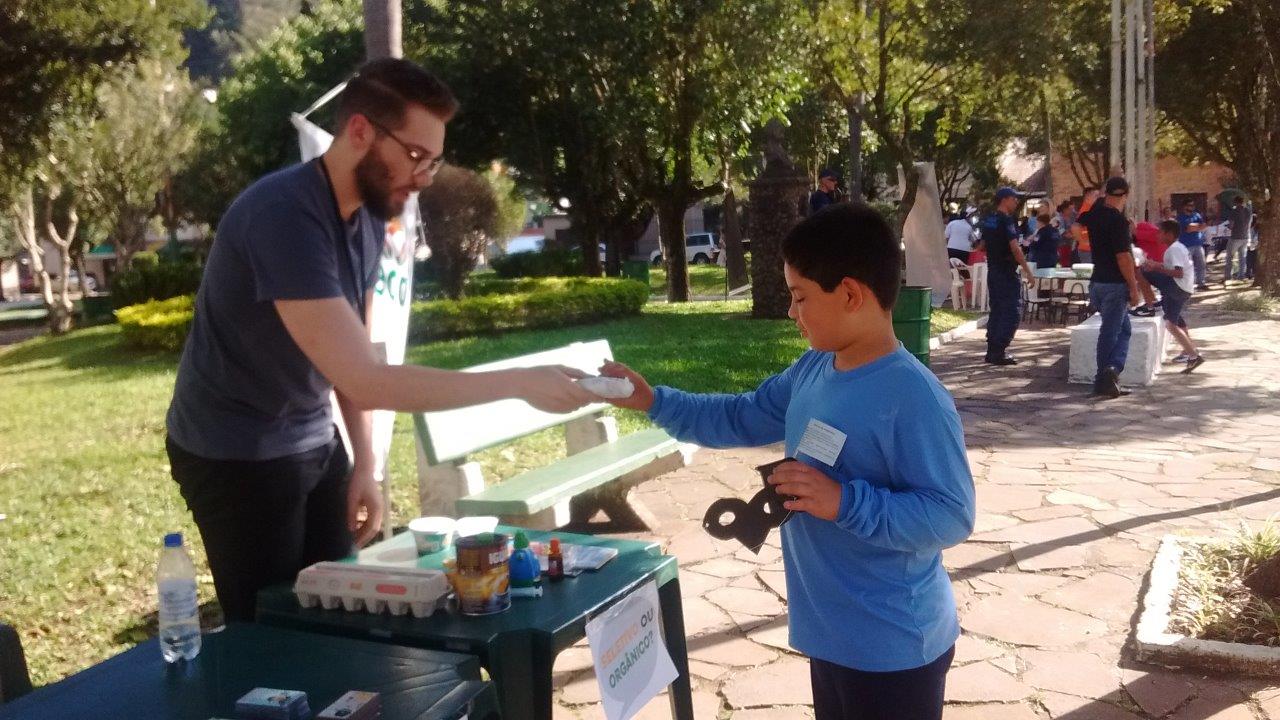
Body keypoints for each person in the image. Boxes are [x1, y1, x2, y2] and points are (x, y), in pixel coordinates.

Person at [164, 58, 595, 623]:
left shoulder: (368, 216)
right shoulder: (283, 215)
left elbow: (356, 354)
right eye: (416, 156)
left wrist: (363, 464)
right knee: (272, 627)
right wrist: (518, 383)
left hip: (313, 436)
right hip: (233, 449)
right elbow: (366, 379)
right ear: (360, 131)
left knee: (338, 607)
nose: (423, 177)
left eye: (434, 162)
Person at [599, 202, 975, 720]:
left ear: (849, 294)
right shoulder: (814, 369)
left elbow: (951, 515)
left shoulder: (913, 398)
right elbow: (743, 415)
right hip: (832, 631)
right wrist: (654, 402)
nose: (792, 312)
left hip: (893, 644)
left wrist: (844, 501)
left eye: (800, 297)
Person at [1077, 178, 1142, 399]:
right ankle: (1104, 377)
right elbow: (1123, 257)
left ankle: (1111, 371)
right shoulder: (1118, 221)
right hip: (1115, 284)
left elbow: (1076, 226)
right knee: (1111, 332)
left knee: (1123, 329)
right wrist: (1134, 288)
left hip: (1097, 282)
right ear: (1124, 195)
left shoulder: (1094, 215)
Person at [979, 187, 1035, 366]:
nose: (1016, 202)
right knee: (1012, 310)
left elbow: (981, 245)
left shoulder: (989, 220)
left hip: (993, 270)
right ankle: (999, 350)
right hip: (1006, 270)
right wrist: (1027, 270)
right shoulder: (1006, 220)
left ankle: (992, 350)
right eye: (1014, 198)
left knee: (997, 310)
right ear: (1004, 200)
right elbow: (1015, 248)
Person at [1141, 220, 1205, 372]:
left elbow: (1178, 272)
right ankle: (1187, 350)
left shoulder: (1174, 249)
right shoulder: (1177, 247)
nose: (1157, 235)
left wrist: (1155, 267)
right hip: (1183, 288)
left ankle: (1193, 355)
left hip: (1177, 287)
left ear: (1169, 234)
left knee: (1170, 324)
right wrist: (1156, 264)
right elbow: (1173, 268)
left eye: (1160, 232)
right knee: (1176, 318)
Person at [1176, 198, 1210, 290]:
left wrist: (1196, 227)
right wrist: (1198, 226)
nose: (1192, 207)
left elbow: (1204, 226)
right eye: (1190, 205)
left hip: (1198, 243)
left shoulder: (1196, 215)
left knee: (1201, 264)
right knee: (1188, 266)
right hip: (1186, 245)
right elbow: (1188, 228)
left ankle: (1201, 283)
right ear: (1184, 206)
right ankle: (1189, 284)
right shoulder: (1180, 217)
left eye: (1193, 205)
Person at [1223, 196, 1253, 284]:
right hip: (1245, 236)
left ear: (1235, 202)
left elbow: (1231, 225)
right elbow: (1249, 224)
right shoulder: (1248, 211)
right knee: (1242, 258)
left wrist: (1227, 226)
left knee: (1229, 257)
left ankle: (1228, 276)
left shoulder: (1234, 211)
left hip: (1235, 237)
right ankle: (1241, 276)